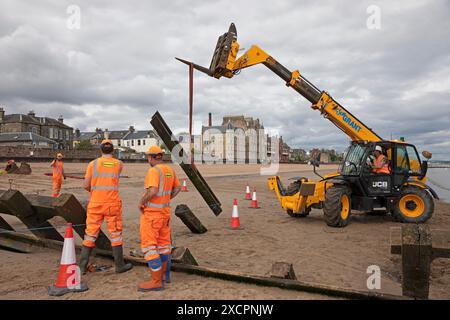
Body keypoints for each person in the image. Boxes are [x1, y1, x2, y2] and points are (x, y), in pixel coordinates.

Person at [79, 139, 133, 274]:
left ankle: (82, 266)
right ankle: (119, 265)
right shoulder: (119, 164)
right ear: (113, 150)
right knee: (115, 234)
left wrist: (96, 191)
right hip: (112, 204)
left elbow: (86, 185)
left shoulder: (93, 164)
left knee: (90, 234)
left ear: (100, 149)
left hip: (96, 203)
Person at [138, 145, 181, 292]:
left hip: (152, 215)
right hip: (165, 214)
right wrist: (166, 199)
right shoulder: (169, 170)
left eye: (148, 157)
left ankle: (156, 281)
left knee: (149, 247)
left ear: (150, 157)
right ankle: (164, 276)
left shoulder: (153, 170)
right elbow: (177, 188)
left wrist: (142, 202)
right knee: (164, 246)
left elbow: (153, 190)